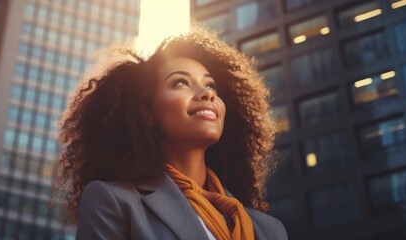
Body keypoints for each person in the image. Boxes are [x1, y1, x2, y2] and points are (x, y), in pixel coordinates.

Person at [52, 27, 287, 240]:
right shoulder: (115, 201)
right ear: (146, 112)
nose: (207, 94)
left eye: (210, 85)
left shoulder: (269, 230)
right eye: (180, 83)